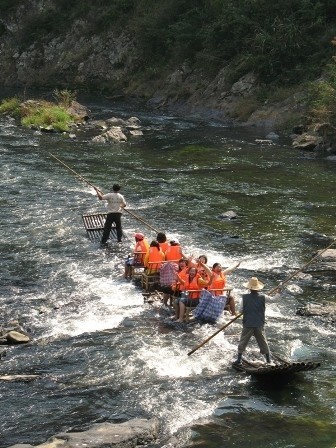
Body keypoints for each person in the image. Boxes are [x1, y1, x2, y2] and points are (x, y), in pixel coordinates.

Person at [234, 277, 273, 365]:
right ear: (258, 288)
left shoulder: (244, 298)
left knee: (243, 341)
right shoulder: (263, 297)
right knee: (263, 341)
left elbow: (240, 311)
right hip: (259, 323)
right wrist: (279, 291)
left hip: (248, 323)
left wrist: (248, 308)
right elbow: (274, 299)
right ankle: (268, 360)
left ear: (249, 288)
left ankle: (239, 360)